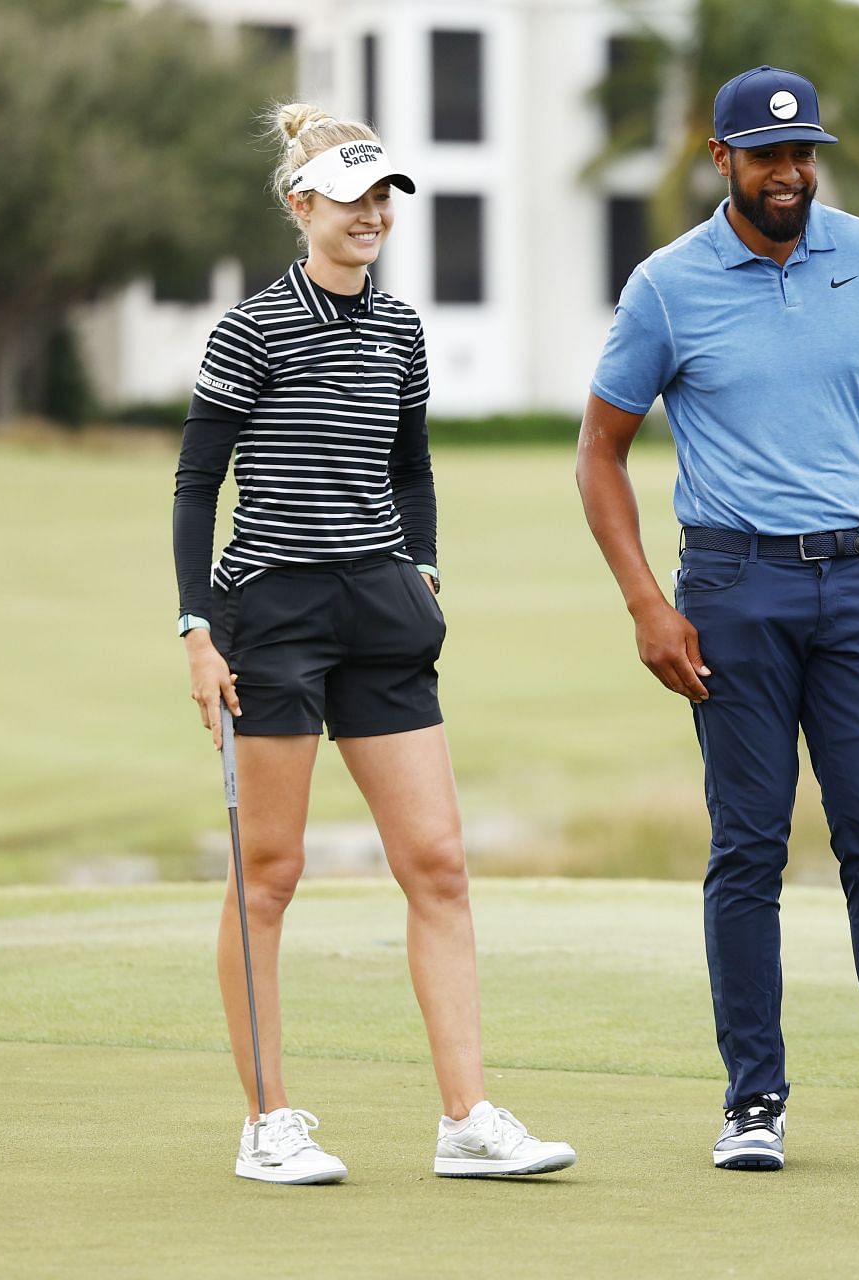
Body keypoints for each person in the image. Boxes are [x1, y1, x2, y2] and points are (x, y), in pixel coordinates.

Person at [576, 66, 859, 1176]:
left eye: (803, 154)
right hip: (731, 591)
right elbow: (600, 453)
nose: (790, 174)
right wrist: (648, 603)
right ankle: (753, 1101)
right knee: (750, 847)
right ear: (721, 160)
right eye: (767, 155)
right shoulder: (667, 285)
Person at [173, 102, 575, 1185]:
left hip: (381, 611)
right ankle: (268, 1120)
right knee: (271, 870)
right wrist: (195, 628)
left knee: (439, 861)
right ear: (300, 205)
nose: (370, 213)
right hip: (275, 613)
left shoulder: (399, 331)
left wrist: (425, 565)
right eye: (348, 196)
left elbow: (411, 464)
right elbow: (197, 482)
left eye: (381, 193)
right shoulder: (251, 328)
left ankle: (467, 1117)